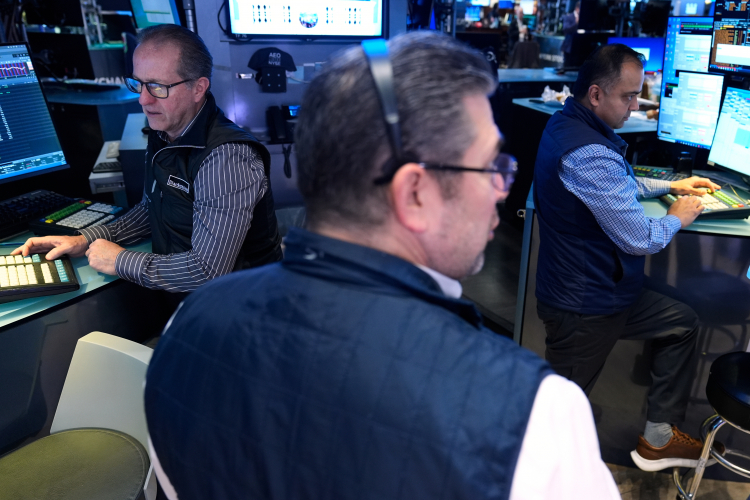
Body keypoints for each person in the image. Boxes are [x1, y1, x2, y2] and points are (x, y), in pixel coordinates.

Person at [143, 32, 620, 500]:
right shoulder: (535, 415)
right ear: (414, 193)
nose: (501, 190)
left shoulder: (188, 324)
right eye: (490, 167)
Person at [533, 43, 723, 472]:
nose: (636, 106)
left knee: (681, 322)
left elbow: (615, 185)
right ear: (596, 94)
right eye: (629, 96)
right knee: (559, 411)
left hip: (604, 288)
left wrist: (671, 186)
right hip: (584, 304)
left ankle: (658, 439)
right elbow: (641, 238)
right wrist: (677, 216)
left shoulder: (569, 123)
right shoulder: (587, 152)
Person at [13, 24, 282, 293]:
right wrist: (84, 239)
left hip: (242, 304)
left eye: (157, 87)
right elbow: (151, 210)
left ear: (198, 88)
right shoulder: (164, 132)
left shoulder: (226, 157)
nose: (143, 100)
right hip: (188, 298)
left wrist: (119, 261)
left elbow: (206, 271)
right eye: (139, 84)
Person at [561, 1, 580, 67]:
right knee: (567, 65)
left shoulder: (583, 18)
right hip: (568, 47)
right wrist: (575, 23)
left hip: (578, 48)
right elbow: (565, 29)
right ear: (577, 8)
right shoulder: (568, 17)